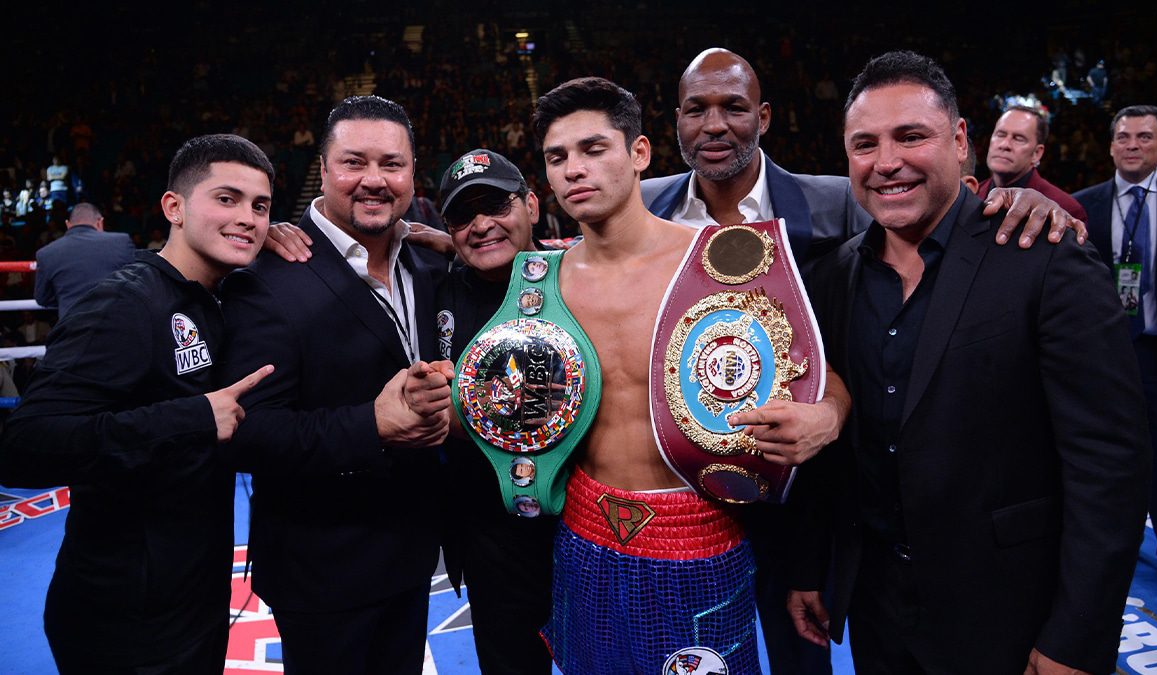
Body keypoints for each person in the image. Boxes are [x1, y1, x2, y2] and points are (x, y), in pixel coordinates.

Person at [639, 47, 1089, 674]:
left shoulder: (839, 206)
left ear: (764, 116)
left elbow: (934, 221)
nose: (715, 124)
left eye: (733, 106)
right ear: (675, 121)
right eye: (697, 109)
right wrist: (447, 240)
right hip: (682, 500)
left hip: (811, 496)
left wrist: (1020, 199)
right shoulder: (636, 210)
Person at [790, 51, 1151, 674]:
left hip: (1012, 617)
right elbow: (835, 444)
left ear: (961, 142)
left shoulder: (1047, 257)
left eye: (911, 137)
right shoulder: (832, 276)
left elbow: (1109, 466)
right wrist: (810, 565)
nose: (887, 163)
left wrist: (1078, 633)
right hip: (879, 612)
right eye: (865, 144)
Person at [530, 76, 849, 675]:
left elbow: (822, 375)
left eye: (594, 149)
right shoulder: (538, 284)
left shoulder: (723, 258)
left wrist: (825, 418)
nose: (574, 169)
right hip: (583, 534)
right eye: (557, 157)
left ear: (639, 154)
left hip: (702, 533)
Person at [0, 134, 277, 674]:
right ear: (173, 207)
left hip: (187, 596)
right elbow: (26, 444)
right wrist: (194, 417)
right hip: (124, 617)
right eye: (227, 199)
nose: (247, 217)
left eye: (260, 206)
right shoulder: (124, 303)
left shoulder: (215, 295)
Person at [217, 95, 454, 675]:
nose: (374, 180)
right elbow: (250, 431)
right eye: (354, 162)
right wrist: (371, 425)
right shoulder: (265, 275)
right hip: (321, 568)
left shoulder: (428, 264)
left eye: (391, 164)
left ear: (411, 173)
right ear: (323, 170)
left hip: (414, 549)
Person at [434, 148, 557, 675]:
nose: (481, 225)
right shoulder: (430, 288)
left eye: (497, 206)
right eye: (463, 216)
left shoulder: (585, 273)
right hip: (491, 541)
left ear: (531, 204)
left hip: (586, 531)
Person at [1073, 105, 1157, 604]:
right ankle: (1102, 564)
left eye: (1144, 137)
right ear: (1109, 146)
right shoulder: (1087, 204)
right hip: (1111, 361)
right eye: (1123, 137)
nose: (1132, 145)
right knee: (1107, 465)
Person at [977, 106, 1088, 222]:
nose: (1005, 145)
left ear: (1036, 153)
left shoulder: (1065, 209)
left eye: (1018, 139)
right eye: (1000, 134)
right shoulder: (971, 194)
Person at [34, 201, 135, 319]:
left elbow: (42, 298)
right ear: (100, 223)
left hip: (72, 328)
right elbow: (136, 284)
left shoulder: (46, 253)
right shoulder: (121, 241)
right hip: (115, 325)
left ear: (68, 225)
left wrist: (66, 297)